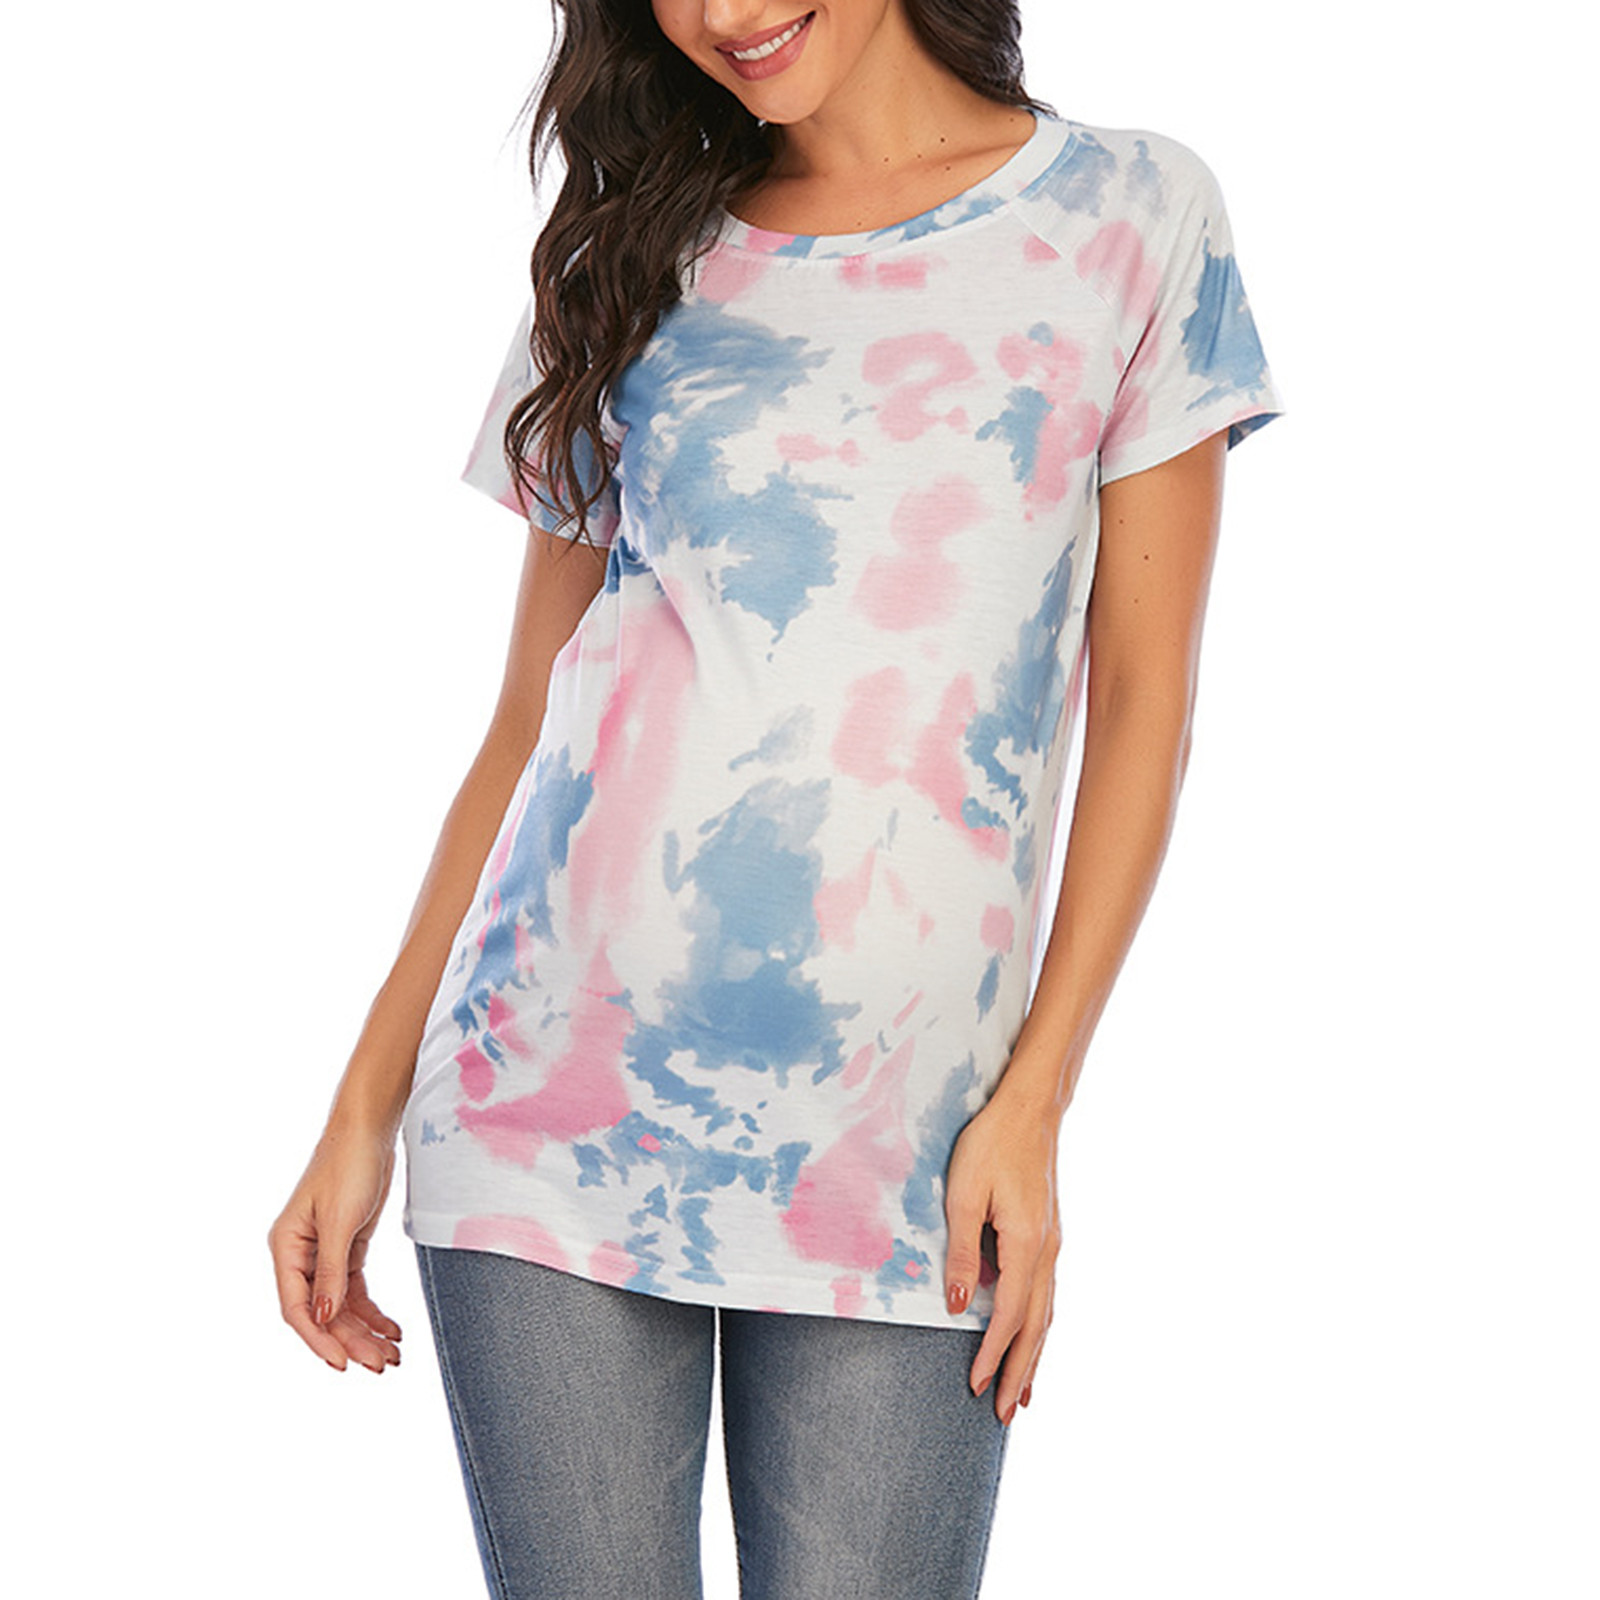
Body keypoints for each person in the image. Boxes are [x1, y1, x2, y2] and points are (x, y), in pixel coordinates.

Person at [269, 2, 1285, 1594]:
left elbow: (1145, 705)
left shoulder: (1131, 216)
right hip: (545, 1121)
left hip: (913, 1154)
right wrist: (362, 1104)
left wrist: (1035, 1104)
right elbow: (528, 718)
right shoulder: (627, 255)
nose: (725, 12)